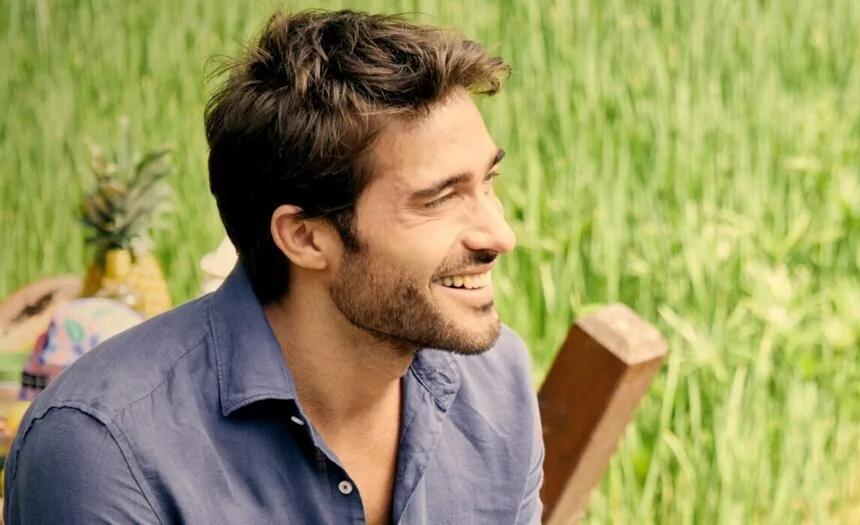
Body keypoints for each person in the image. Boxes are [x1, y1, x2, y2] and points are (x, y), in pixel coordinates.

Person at [3, 9, 542, 524]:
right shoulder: (104, 451)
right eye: (439, 199)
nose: (501, 235)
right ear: (304, 237)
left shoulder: (497, 383)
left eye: (488, 181)